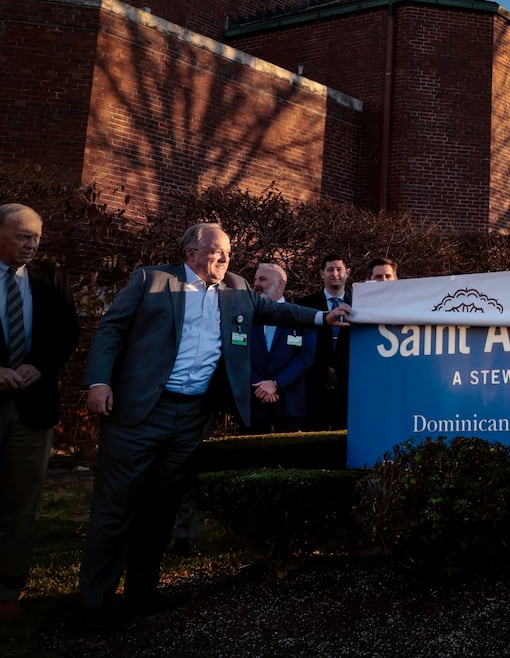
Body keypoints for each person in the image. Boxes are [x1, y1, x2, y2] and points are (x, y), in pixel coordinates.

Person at [78, 223, 349, 624]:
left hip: (191, 417)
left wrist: (323, 319)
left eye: (228, 254)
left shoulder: (238, 289)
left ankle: (142, 595)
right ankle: (94, 605)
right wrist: (99, 380)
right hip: (138, 412)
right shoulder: (153, 280)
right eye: (217, 252)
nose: (225, 260)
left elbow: (279, 310)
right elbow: (111, 329)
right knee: (115, 507)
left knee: (162, 507)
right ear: (191, 253)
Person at [0, 204, 79, 622]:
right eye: (21, 236)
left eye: (35, 237)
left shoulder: (50, 276)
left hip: (33, 407)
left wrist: (41, 364)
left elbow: (68, 330)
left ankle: (8, 592)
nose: (31, 244)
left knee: (21, 504)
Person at [244, 263, 316, 434]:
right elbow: (237, 355)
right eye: (255, 279)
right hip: (254, 403)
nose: (256, 284)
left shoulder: (300, 317)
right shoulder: (245, 317)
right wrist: (260, 386)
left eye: (263, 279)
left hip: (290, 404)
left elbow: (306, 357)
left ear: (281, 284)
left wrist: (277, 383)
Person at [300, 254, 352, 431]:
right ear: (322, 273)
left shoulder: (360, 305)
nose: (335, 274)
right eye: (330, 269)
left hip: (349, 385)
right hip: (314, 385)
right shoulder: (305, 304)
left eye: (339, 269)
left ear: (347, 273)